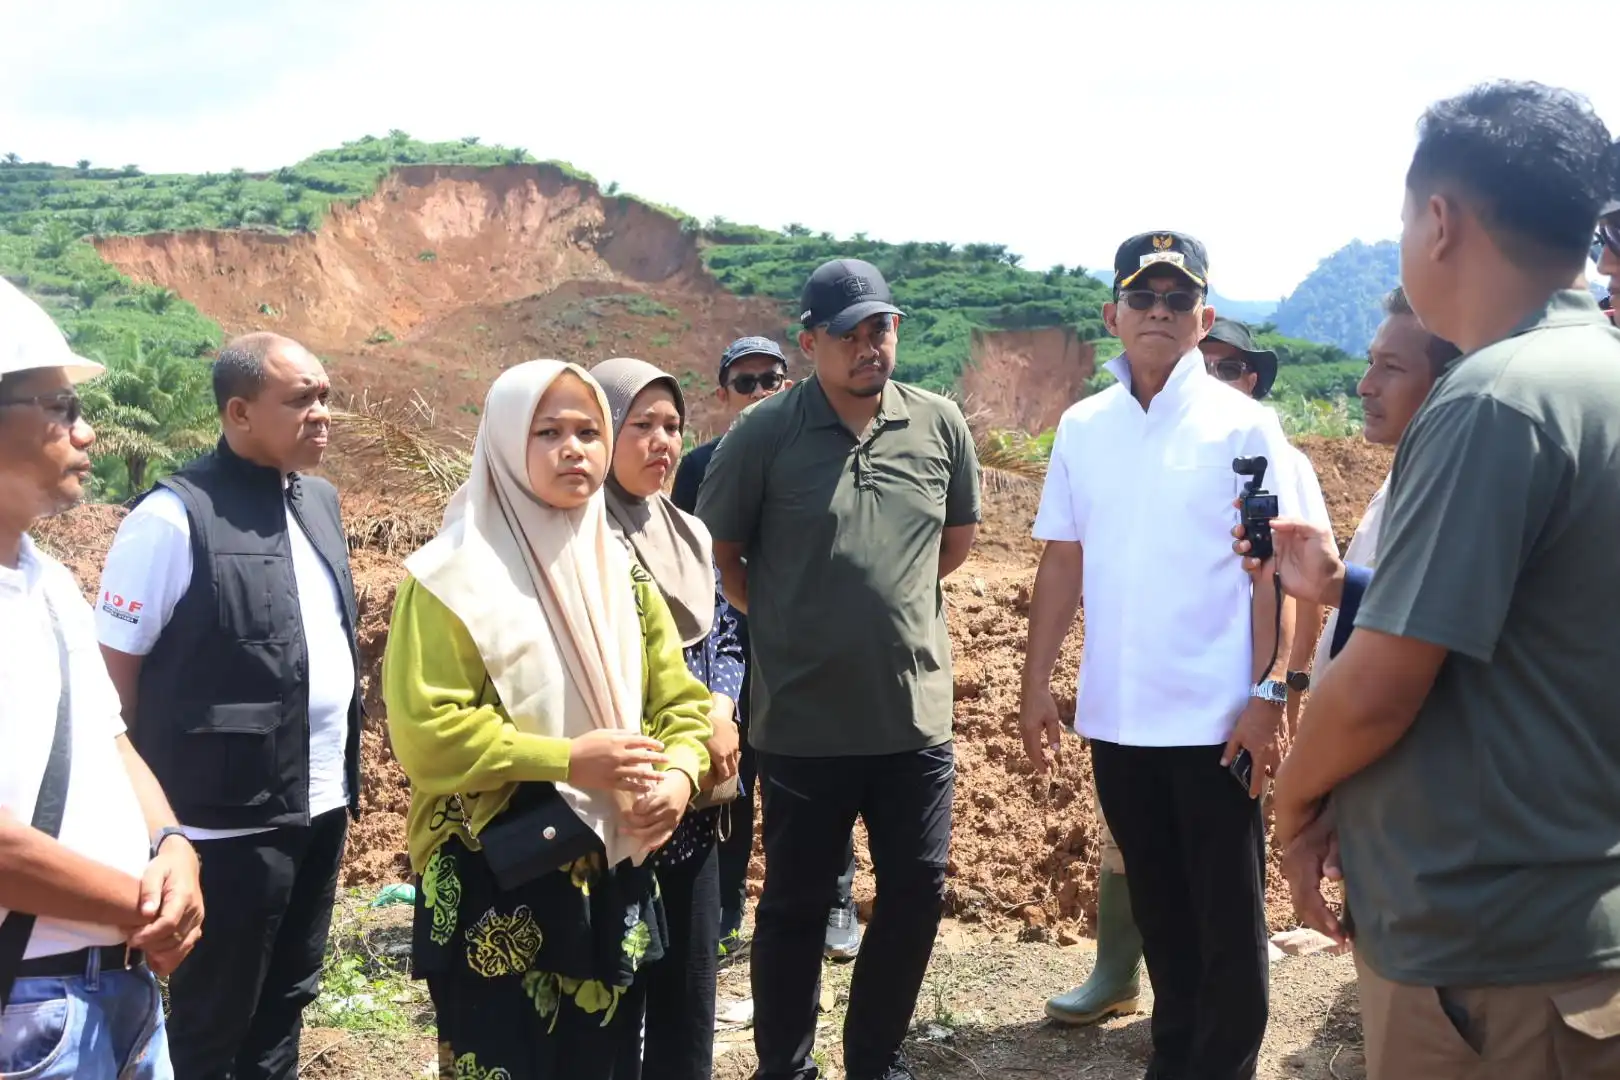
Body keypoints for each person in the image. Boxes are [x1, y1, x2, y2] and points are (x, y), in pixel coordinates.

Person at [1265, 82, 1620, 1078]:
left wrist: (1295, 803)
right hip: (1568, 935)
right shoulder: (1596, 372)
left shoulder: (1496, 399)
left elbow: (1380, 685)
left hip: (1493, 962)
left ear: (1439, 219)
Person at [382, 359, 713, 1080]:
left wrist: (684, 775)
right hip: (493, 870)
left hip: (605, 863)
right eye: (549, 431)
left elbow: (681, 701)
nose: (575, 449)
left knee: (604, 1059)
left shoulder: (620, 573)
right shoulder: (448, 579)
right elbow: (426, 734)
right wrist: (568, 759)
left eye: (589, 431)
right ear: (505, 443)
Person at [1020, 232, 1300, 1080]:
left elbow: (1279, 573)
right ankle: (1174, 1059)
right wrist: (1038, 682)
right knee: (1164, 919)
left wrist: (1269, 695)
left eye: (1179, 301)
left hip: (1216, 720)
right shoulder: (1084, 427)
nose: (1160, 313)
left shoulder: (1245, 428)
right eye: (1144, 298)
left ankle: (1221, 1067)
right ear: (1114, 313)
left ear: (1204, 318)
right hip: (1119, 718)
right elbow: (1063, 558)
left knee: (1226, 927)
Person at [697, 258, 981, 1080]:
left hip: (912, 721)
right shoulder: (765, 433)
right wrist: (794, 625)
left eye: (881, 328)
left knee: (917, 894)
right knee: (790, 906)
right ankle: (785, 1066)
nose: (869, 346)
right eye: (850, 333)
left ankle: (873, 1058)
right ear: (811, 340)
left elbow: (951, 548)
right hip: (803, 725)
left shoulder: (938, 424)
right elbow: (723, 560)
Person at [95, 332, 361, 1080]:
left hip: (319, 807)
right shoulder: (173, 519)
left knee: (286, 1003)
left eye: (325, 396)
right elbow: (112, 688)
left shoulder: (320, 503)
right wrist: (148, 825)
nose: (322, 413)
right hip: (220, 827)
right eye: (301, 399)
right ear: (239, 413)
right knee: (212, 1022)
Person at [0, 278, 202, 1080]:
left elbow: (110, 739)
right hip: (29, 1005)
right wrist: (142, 906)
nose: (86, 430)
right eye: (58, 406)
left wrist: (176, 849)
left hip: (118, 992)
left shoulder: (46, 579)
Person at [670, 336, 862, 962]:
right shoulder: (697, 468)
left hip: (803, 647)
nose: (759, 391)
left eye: (770, 379)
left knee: (817, 774)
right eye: (745, 382)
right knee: (732, 776)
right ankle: (726, 907)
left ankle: (834, 900)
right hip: (728, 649)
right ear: (722, 394)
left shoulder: (819, 454)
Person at [591, 355, 744, 1080]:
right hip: (618, 803)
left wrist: (720, 704)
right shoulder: (576, 538)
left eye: (673, 426)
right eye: (641, 424)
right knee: (615, 999)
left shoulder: (687, 531)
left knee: (688, 996)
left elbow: (726, 635)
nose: (662, 441)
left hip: (694, 802)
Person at [1305, 288, 1459, 675]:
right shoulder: (1405, 477)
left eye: (1391, 367)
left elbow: (1431, 623)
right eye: (1371, 362)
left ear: (1450, 382)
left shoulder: (1459, 496)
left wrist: (1341, 584)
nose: (1365, 385)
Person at [1199, 316, 1333, 734]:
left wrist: (1286, 686)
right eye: (1199, 369)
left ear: (1251, 380)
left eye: (1228, 370)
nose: (1213, 382)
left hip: (1250, 690)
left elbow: (1306, 589)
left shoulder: (1287, 464)